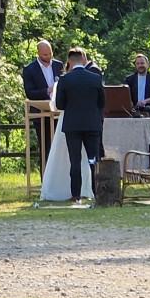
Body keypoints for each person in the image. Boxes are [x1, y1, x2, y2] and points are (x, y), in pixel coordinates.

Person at [55, 48, 106, 204]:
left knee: (75, 161)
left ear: (69, 61)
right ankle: (98, 193)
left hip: (73, 125)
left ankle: (76, 195)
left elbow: (60, 105)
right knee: (93, 160)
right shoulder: (95, 78)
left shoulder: (65, 80)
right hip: (92, 124)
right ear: (83, 60)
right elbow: (102, 103)